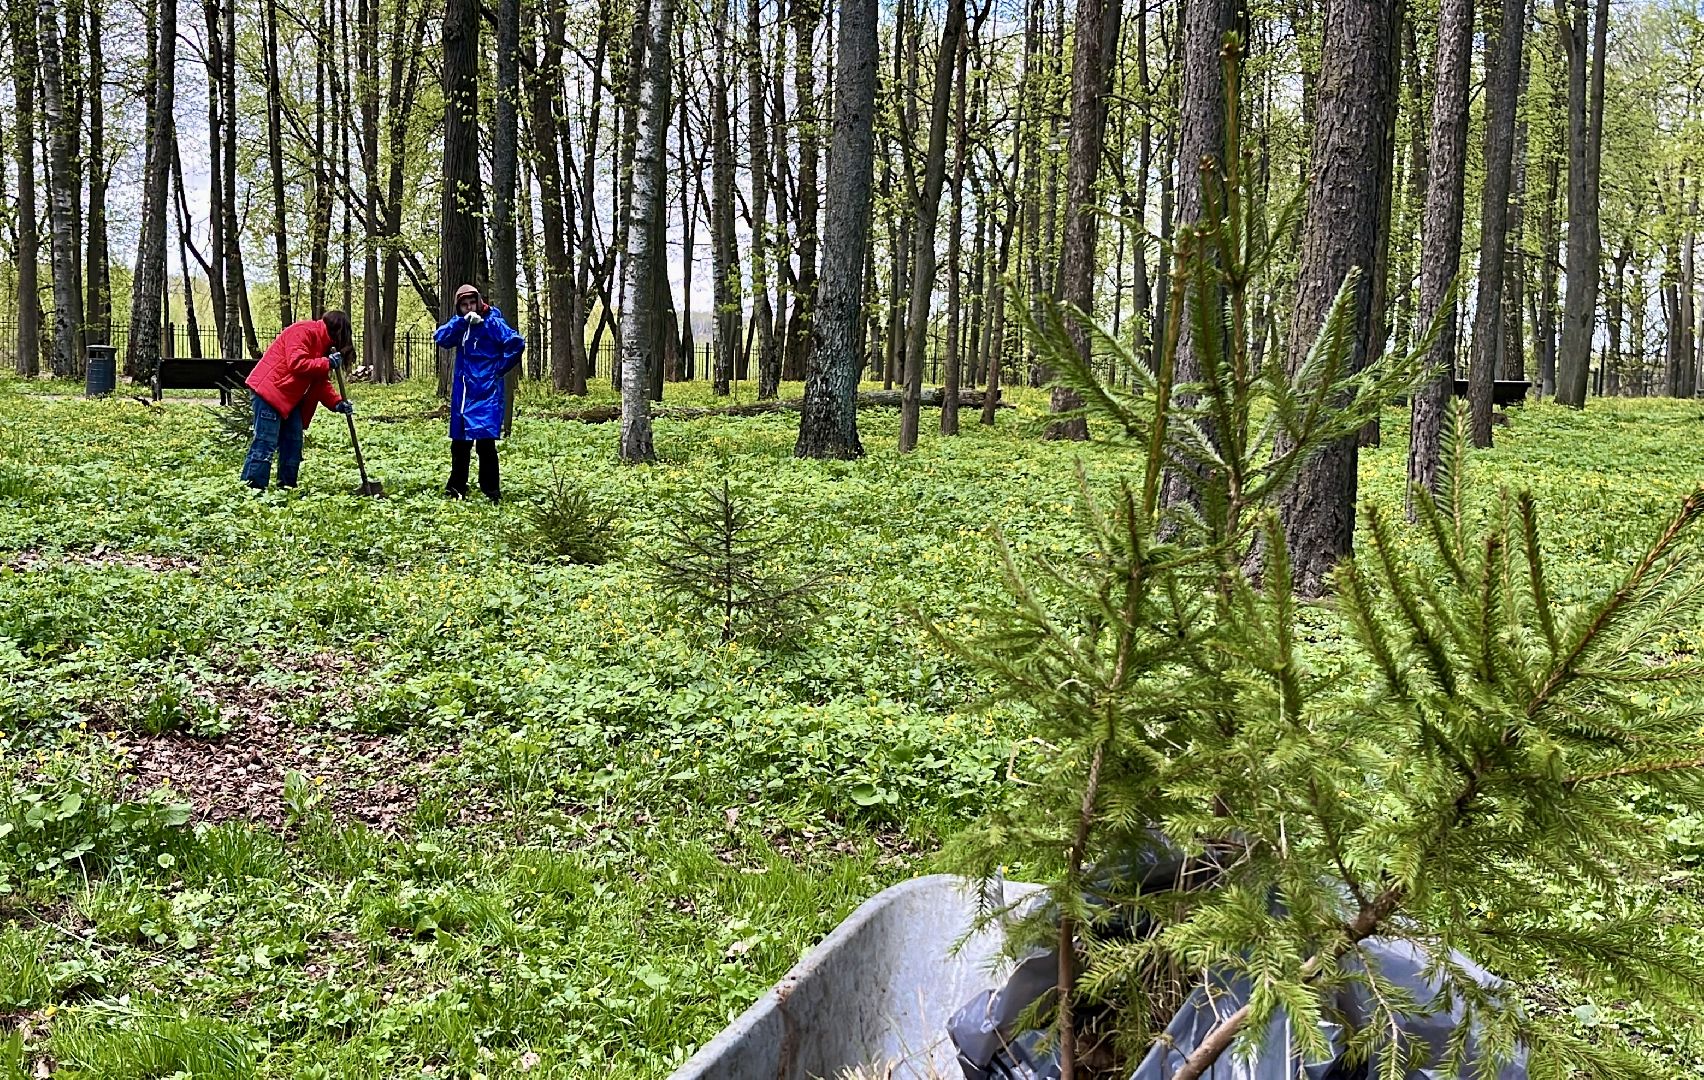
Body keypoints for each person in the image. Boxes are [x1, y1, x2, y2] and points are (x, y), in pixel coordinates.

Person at [242, 310, 355, 490]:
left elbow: (320, 382)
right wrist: (326, 362)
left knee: (293, 443)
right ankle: (252, 489)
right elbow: (296, 363)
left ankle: (287, 488)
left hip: (290, 400)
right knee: (265, 442)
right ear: (337, 333)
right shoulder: (303, 331)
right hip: (269, 392)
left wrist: (337, 402)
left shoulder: (323, 346)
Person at [434, 285, 525, 502]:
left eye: (471, 303)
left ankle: (491, 491)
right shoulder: (463, 325)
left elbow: (516, 343)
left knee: (485, 444)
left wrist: (498, 369)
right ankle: (456, 488)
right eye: (464, 305)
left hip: (486, 391)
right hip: (464, 393)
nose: (469, 308)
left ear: (479, 301)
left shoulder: (492, 321)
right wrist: (461, 321)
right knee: (460, 443)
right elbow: (441, 338)